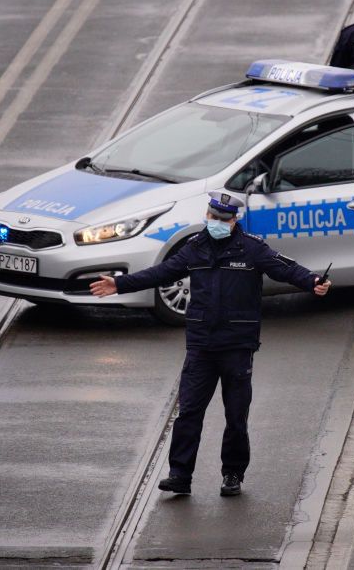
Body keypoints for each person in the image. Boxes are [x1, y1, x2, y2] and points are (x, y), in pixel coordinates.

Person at [89, 192, 331, 496]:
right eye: (212, 217)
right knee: (189, 412)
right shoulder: (195, 249)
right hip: (201, 346)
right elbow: (161, 272)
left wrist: (313, 282)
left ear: (235, 221)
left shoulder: (252, 249)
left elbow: (285, 268)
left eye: (222, 219)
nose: (216, 223)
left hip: (237, 346)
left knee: (236, 416)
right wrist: (119, 284)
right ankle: (180, 474)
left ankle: (232, 474)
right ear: (207, 216)